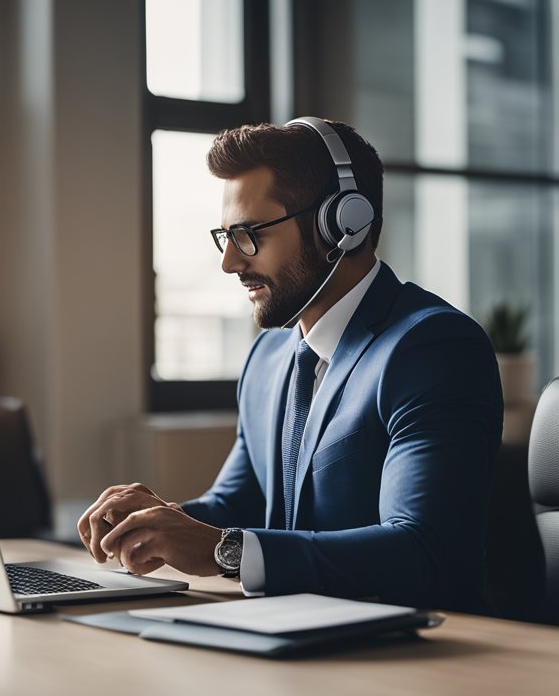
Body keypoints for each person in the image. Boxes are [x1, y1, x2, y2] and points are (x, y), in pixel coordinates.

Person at [78, 117, 503, 612]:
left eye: (250, 234)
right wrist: (156, 522)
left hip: (408, 651)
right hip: (296, 634)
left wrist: (222, 551)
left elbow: (424, 551)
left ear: (342, 225)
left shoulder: (432, 348)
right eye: (226, 236)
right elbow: (238, 507)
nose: (230, 263)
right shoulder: (269, 356)